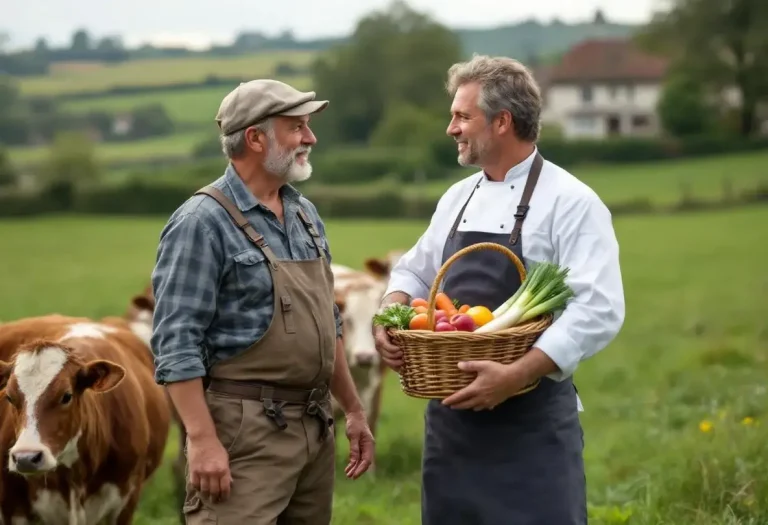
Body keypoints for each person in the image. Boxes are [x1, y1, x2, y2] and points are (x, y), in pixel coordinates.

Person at [374, 55, 625, 524]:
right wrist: (389, 314)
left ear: (503, 121)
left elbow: (599, 308)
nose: (451, 128)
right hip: (452, 429)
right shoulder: (457, 197)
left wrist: (514, 374)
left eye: (462, 116)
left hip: (529, 427)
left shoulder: (571, 202)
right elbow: (414, 270)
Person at [150, 78, 375, 525]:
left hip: (314, 427)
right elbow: (176, 341)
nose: (310, 138)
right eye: (297, 127)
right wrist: (203, 440)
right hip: (242, 434)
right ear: (255, 137)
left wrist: (352, 409)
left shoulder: (304, 214)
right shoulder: (201, 222)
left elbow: (326, 323)